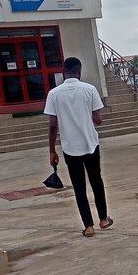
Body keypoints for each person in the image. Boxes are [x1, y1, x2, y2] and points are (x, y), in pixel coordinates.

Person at [45, 57, 113, 238]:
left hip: (70, 148)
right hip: (91, 144)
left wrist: (52, 150)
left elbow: (52, 125)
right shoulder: (90, 89)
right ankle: (103, 219)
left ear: (63, 72)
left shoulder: (54, 94)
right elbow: (98, 119)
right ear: (79, 71)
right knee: (96, 181)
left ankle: (88, 226)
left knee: (79, 186)